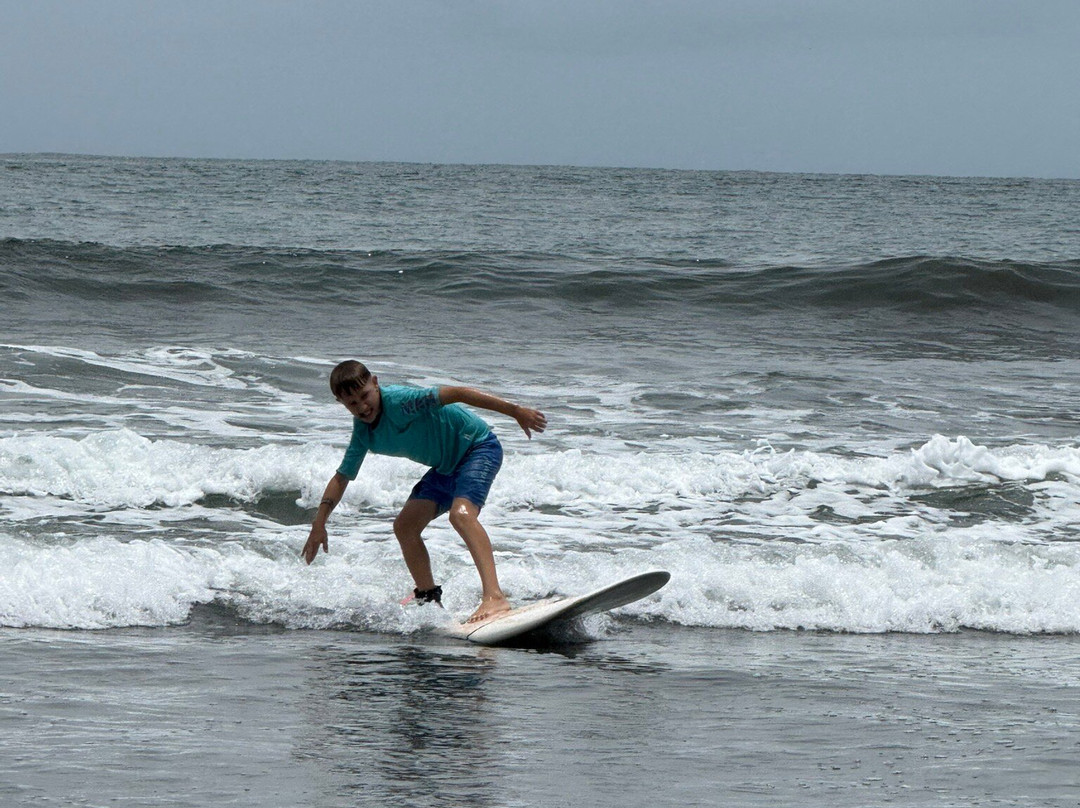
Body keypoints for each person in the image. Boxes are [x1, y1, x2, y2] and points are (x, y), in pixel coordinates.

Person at [302, 360, 547, 623]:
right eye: (352, 403)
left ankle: (495, 597)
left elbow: (458, 393)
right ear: (341, 403)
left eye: (364, 396)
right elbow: (342, 477)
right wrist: (319, 524)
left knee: (461, 515)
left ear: (375, 383)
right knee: (405, 526)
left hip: (478, 447)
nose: (362, 407)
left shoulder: (405, 402)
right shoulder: (363, 434)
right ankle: (428, 597)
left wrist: (516, 411)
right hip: (445, 467)